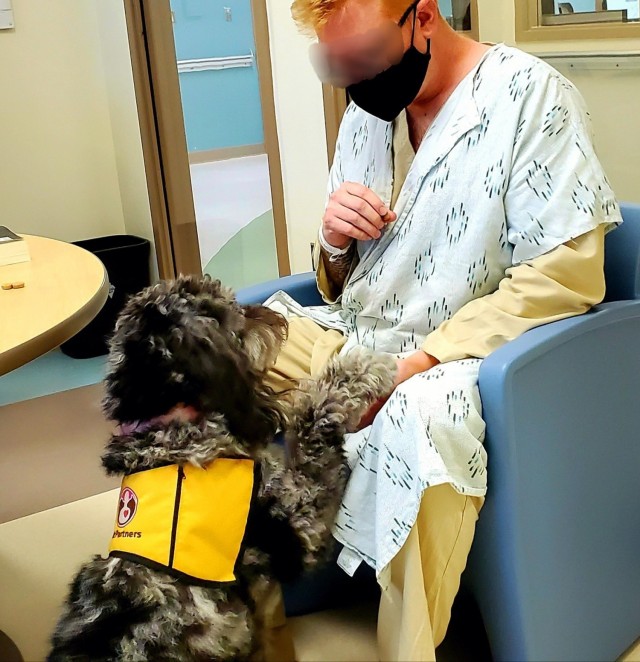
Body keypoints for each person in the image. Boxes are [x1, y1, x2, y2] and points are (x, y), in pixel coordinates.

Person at [263, 0, 622, 659]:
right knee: (215, 349)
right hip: (356, 331)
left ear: (422, 17)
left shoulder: (531, 97)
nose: (357, 80)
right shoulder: (368, 115)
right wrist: (334, 240)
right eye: (339, 64)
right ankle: (244, 598)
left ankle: (412, 646)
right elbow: (336, 281)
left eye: (368, 59)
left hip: (463, 352)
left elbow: (566, 274)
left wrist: (418, 363)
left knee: (421, 425)